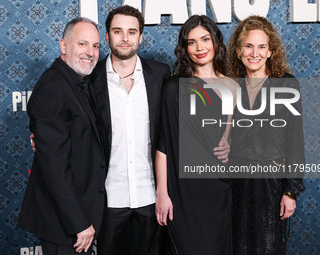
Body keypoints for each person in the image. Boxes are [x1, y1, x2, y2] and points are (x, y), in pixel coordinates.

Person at [18, 17, 106, 254]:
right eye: (83, 44)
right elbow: (54, 167)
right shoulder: (53, 88)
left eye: (96, 46)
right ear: (63, 46)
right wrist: (80, 222)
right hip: (66, 223)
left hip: (77, 214)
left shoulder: (77, 81)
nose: (90, 52)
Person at [90, 5, 171, 255]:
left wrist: (163, 192)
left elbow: (168, 134)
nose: (125, 38)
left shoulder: (160, 74)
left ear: (141, 37)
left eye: (132, 32)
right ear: (107, 36)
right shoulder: (90, 80)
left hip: (150, 197)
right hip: (108, 199)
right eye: (117, 31)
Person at [155, 15, 238, 255]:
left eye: (205, 39)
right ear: (185, 48)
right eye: (192, 42)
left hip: (219, 188)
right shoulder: (174, 87)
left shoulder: (233, 86)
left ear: (216, 41)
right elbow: (164, 145)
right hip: (184, 191)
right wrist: (162, 193)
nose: (200, 48)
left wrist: (231, 146)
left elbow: (231, 137)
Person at [226, 15, 305, 254]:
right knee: (236, 247)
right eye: (248, 46)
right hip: (235, 181)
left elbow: (295, 141)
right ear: (239, 50)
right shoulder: (230, 84)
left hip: (271, 182)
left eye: (262, 47)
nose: (254, 53)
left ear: (271, 52)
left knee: (268, 247)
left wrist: (291, 190)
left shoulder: (287, 85)